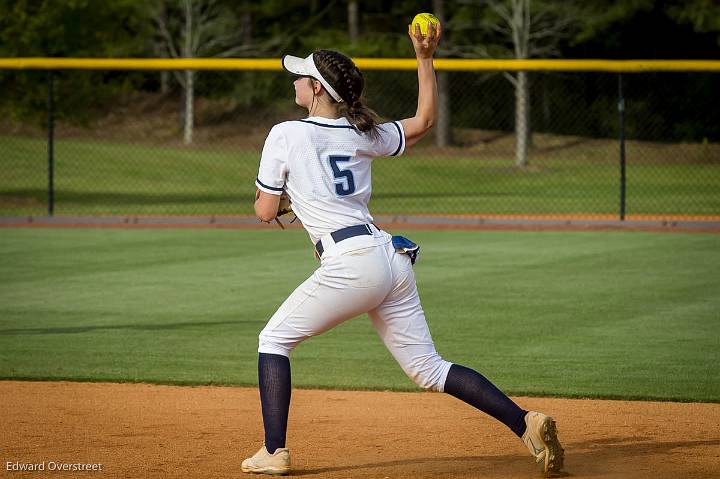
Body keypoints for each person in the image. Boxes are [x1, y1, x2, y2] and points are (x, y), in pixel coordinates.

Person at [243, 20, 564, 477]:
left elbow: (263, 209)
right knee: (429, 368)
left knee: (273, 340)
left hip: (350, 264)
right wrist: (425, 57)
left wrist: (279, 199)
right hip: (389, 258)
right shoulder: (360, 132)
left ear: (316, 90)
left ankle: (274, 452)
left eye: (301, 76)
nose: (293, 81)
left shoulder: (285, 134)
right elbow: (425, 121)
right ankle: (526, 422)